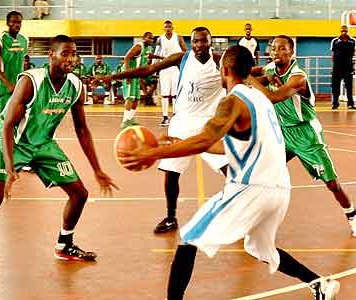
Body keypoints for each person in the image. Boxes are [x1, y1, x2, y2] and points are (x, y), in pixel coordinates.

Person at [118, 45, 340, 300]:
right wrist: (178, 140)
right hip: (279, 191)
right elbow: (228, 144)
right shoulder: (261, 100)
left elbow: (204, 140)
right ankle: (319, 284)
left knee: (188, 237)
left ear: (224, 70)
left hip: (250, 189)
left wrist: (152, 153)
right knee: (259, 248)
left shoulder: (232, 102)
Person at [0, 35, 118, 288]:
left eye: (74, 54)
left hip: (43, 144)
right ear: (50, 56)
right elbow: (8, 124)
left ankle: (64, 245)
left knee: (79, 193)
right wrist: (10, 167)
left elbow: (82, 129)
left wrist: (97, 169)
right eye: (65, 53)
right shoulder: (31, 81)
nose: (72, 59)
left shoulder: (75, 85)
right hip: (13, 142)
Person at [94, 27, 228, 233]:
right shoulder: (182, 58)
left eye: (204, 41)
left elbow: (247, 75)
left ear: (211, 42)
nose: (200, 45)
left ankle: (237, 213)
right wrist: (113, 76)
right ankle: (170, 217)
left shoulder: (221, 62)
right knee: (171, 173)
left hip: (208, 125)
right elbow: (148, 70)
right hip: (182, 122)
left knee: (231, 172)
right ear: (191, 43)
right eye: (196, 41)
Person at [249, 35, 356, 236]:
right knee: (261, 170)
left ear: (292, 52)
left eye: (281, 49)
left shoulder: (298, 77)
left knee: (332, 183)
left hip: (307, 134)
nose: (275, 52)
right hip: (282, 133)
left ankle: (352, 215)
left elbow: (273, 97)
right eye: (273, 48)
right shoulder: (270, 68)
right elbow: (249, 73)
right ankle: (255, 216)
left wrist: (250, 79)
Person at [0, 11, 28, 132]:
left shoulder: (24, 40)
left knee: (16, 122)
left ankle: (13, 149)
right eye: (14, 22)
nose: (17, 25)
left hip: (19, 87)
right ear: (7, 23)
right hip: (3, 88)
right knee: (0, 124)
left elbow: (23, 63)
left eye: (19, 22)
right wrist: (9, 85)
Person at [154, 20, 187, 126]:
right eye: (166, 27)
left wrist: (183, 65)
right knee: (165, 94)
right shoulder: (160, 39)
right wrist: (154, 68)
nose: (168, 28)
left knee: (175, 94)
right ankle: (165, 117)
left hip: (175, 68)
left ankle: (175, 116)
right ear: (164, 29)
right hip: (164, 69)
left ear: (173, 28)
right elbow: (156, 54)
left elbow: (185, 51)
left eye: (169, 27)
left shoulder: (178, 38)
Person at [118, 31, 154, 128]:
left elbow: (145, 61)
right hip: (130, 74)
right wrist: (128, 74)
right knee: (130, 98)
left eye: (152, 38)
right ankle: (125, 121)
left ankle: (131, 118)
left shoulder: (147, 49)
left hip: (136, 76)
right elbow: (126, 58)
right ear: (144, 38)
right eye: (149, 38)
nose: (151, 40)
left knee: (137, 99)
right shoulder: (139, 46)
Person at [330, 25, 356, 110]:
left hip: (348, 67)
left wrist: (353, 66)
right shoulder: (335, 41)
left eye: (345, 31)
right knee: (335, 86)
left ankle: (350, 104)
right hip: (337, 67)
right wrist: (333, 66)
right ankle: (335, 103)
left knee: (349, 86)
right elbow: (332, 54)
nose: (344, 32)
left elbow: (354, 53)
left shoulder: (353, 41)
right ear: (340, 31)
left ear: (347, 31)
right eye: (342, 31)